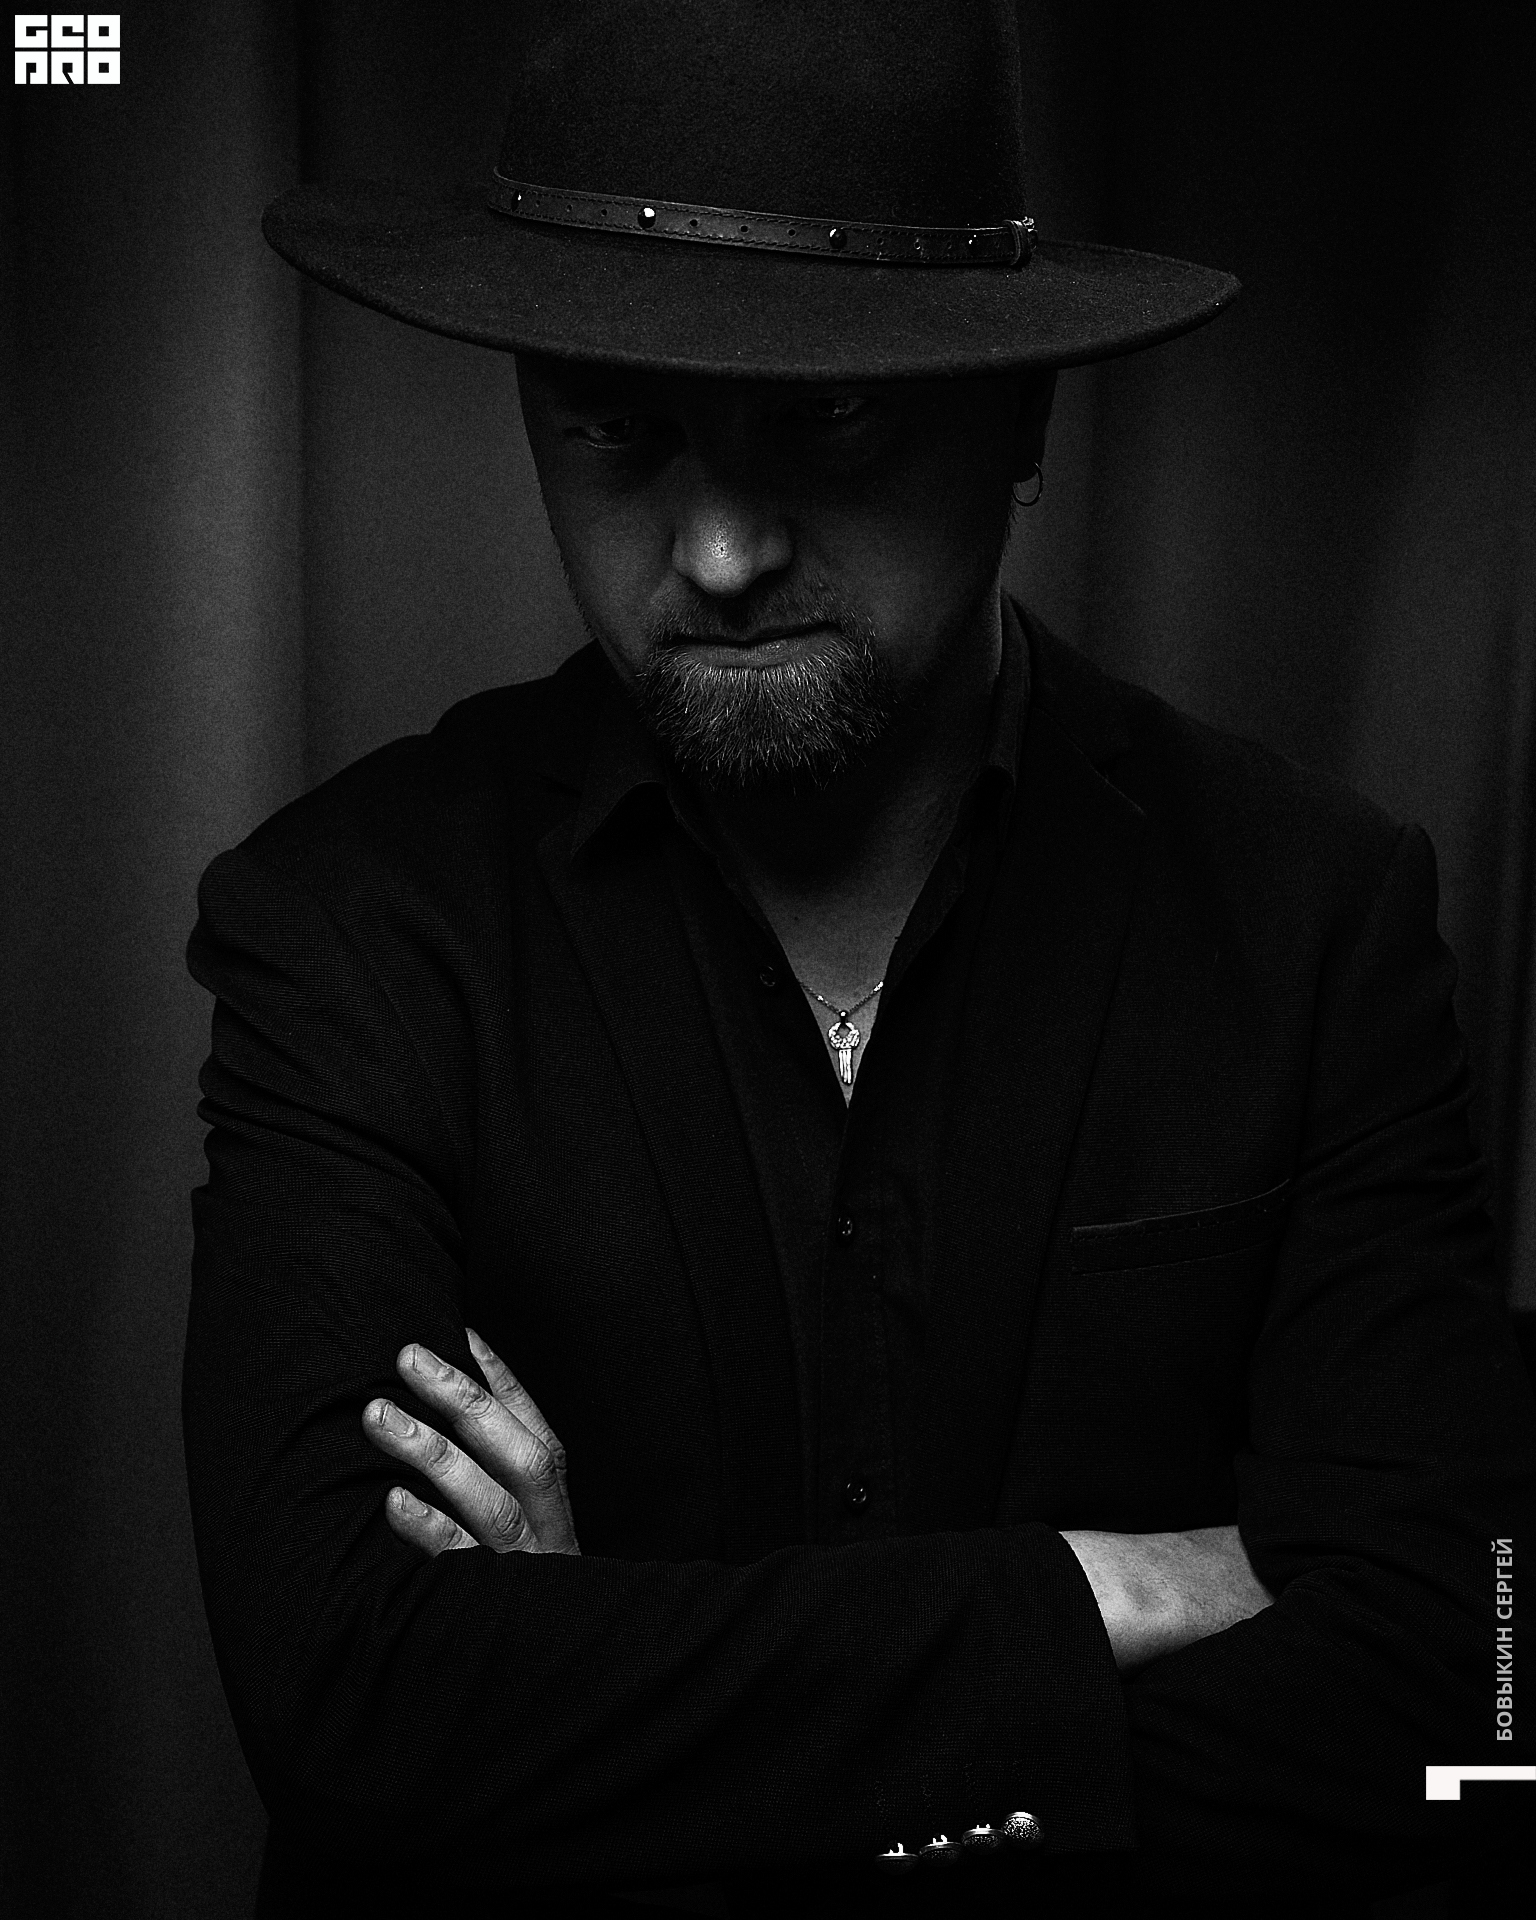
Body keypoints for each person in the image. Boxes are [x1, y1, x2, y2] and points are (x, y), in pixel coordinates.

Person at [182, 4, 1536, 1916]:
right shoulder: (348, 931)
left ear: (1024, 421)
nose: (723, 551)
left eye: (828, 421)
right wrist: (1097, 1594)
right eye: (618, 430)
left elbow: (1475, 1699)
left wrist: (599, 1705)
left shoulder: (1313, 916)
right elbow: (355, 1701)